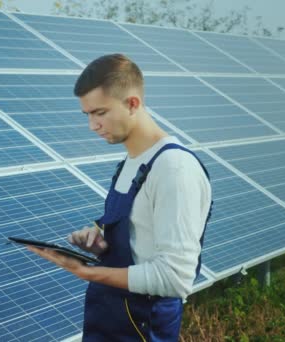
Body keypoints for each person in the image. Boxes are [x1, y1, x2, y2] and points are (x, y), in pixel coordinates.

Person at [27, 54, 212, 341]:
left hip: (144, 324)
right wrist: (100, 242)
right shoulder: (130, 163)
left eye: (100, 113)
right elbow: (140, 241)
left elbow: (175, 278)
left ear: (132, 103)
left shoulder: (174, 168)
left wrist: (86, 272)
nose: (92, 125)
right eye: (87, 115)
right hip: (109, 317)